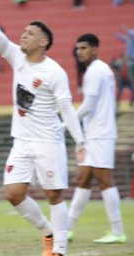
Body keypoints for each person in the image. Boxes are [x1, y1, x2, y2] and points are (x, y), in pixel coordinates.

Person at [0, 1, 86, 256]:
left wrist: (80, 141)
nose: (24, 35)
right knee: (13, 193)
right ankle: (49, 232)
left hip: (48, 141)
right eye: (23, 31)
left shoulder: (54, 72)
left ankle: (60, 250)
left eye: (31, 33)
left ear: (43, 42)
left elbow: (66, 108)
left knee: (54, 195)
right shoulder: (15, 56)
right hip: (21, 140)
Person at [67, 34, 127, 244]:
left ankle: (118, 232)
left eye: (83, 48)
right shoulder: (103, 69)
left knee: (104, 180)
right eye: (77, 48)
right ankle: (67, 229)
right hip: (95, 134)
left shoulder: (94, 72)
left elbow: (88, 107)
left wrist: (65, 123)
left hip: (99, 134)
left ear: (94, 49)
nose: (79, 52)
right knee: (83, 179)